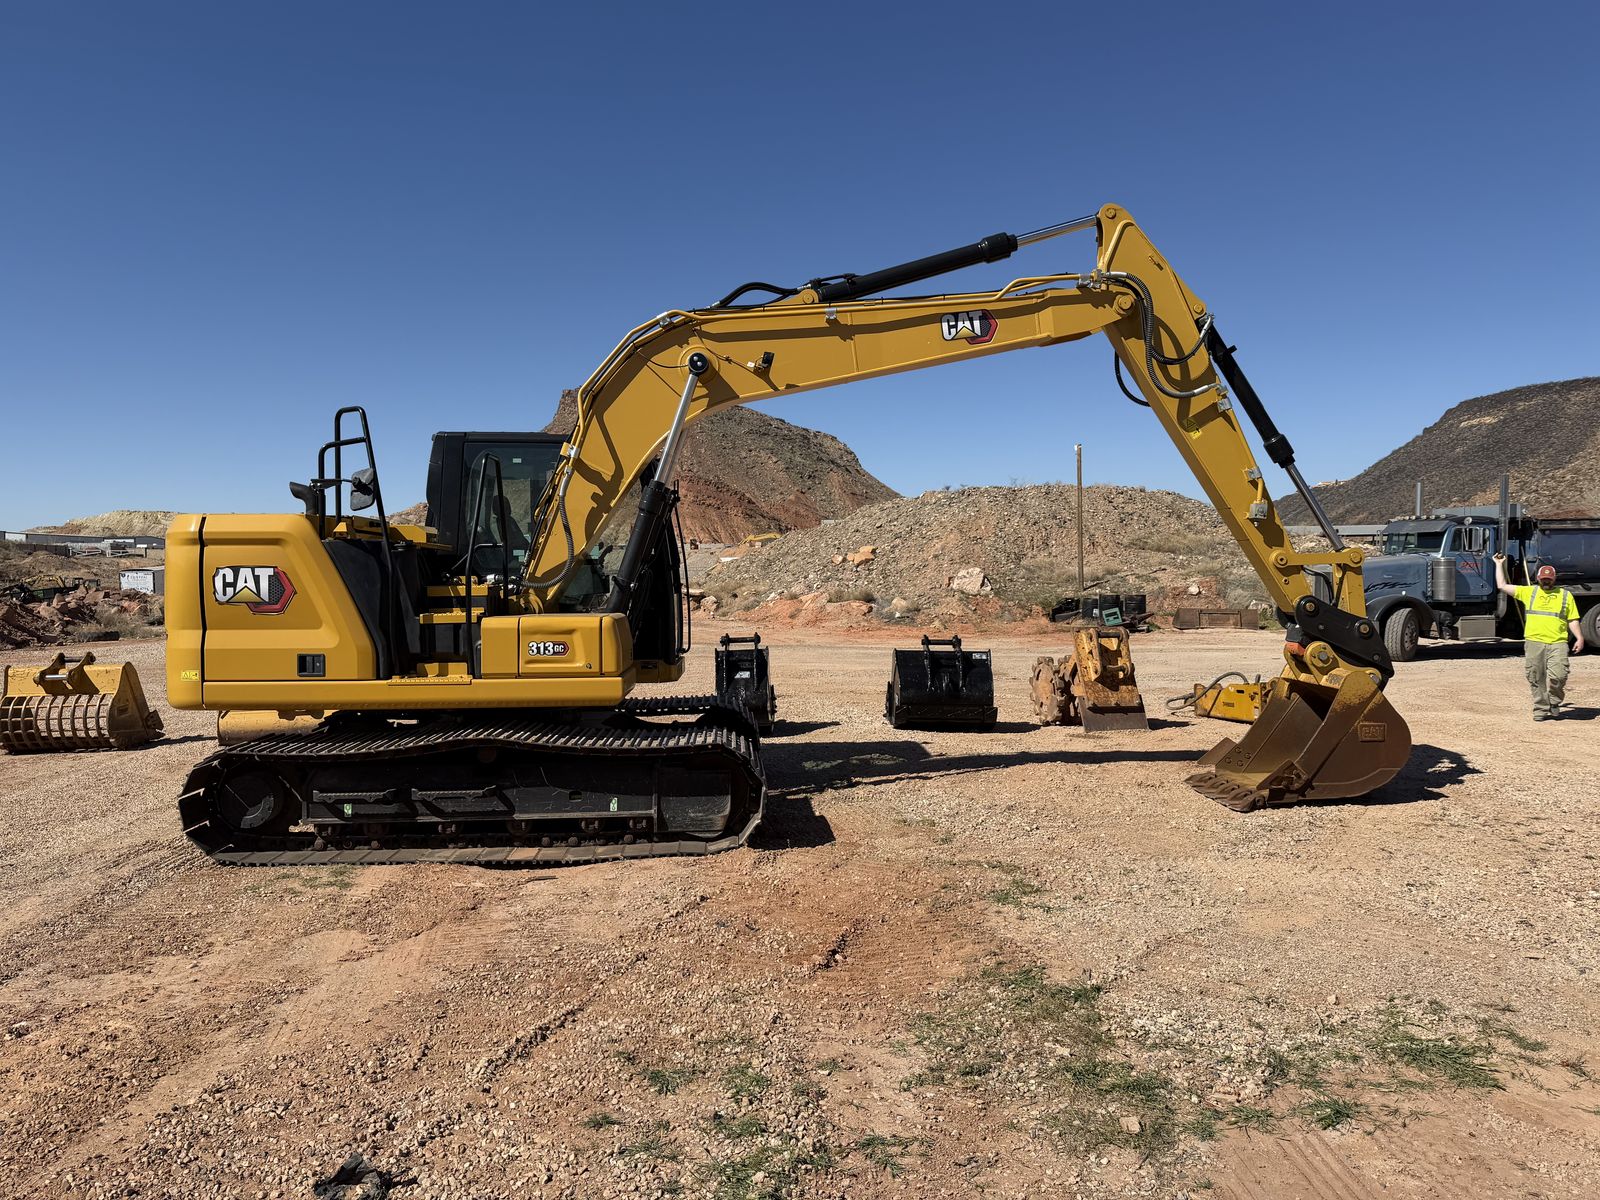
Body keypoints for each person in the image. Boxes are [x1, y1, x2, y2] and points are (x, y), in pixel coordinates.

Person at [1493, 554, 1584, 720]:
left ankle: (1554, 701)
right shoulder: (1529, 592)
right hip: (1534, 642)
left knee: (1559, 676)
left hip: (1558, 642)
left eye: (1549, 579)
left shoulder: (1565, 595)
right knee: (1536, 676)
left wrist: (1579, 638)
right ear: (1538, 579)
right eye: (1543, 579)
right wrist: (1499, 564)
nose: (1546, 581)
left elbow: (1572, 619)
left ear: (1554, 579)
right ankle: (1541, 709)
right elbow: (1502, 585)